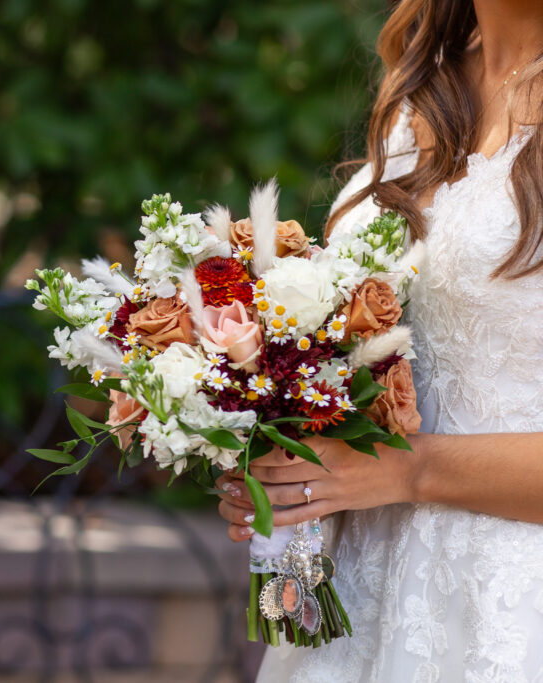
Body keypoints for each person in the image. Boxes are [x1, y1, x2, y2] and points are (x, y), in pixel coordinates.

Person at [217, 0, 543, 680]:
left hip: (506, 615)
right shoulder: (425, 90)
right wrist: (289, 462)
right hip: (360, 605)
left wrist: (405, 468)